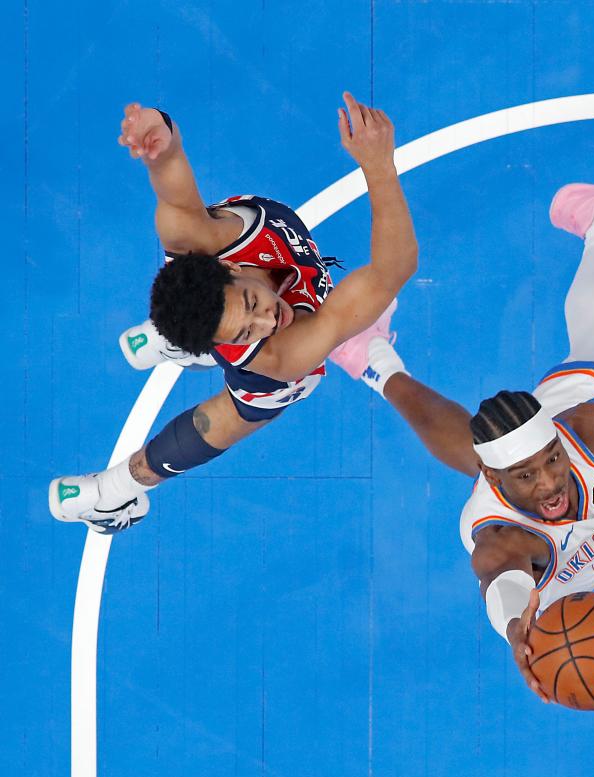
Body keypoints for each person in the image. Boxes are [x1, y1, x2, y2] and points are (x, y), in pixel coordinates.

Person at [332, 180, 594, 721]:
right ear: (497, 481)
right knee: (478, 450)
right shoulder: (501, 543)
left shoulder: (591, 431)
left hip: (563, 414)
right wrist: (518, 631)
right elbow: (504, 588)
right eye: (528, 477)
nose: (551, 483)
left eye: (552, 462)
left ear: (560, 443)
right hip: (514, 502)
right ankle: (370, 354)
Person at [49, 93, 419, 533]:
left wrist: (159, 139)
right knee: (225, 421)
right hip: (270, 369)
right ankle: (110, 496)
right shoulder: (281, 354)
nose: (268, 320)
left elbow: (169, 171)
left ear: (229, 266)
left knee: (207, 315)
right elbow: (391, 271)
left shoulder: (194, 236)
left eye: (250, 303)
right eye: (247, 331)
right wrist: (378, 165)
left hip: (212, 308)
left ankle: (174, 340)